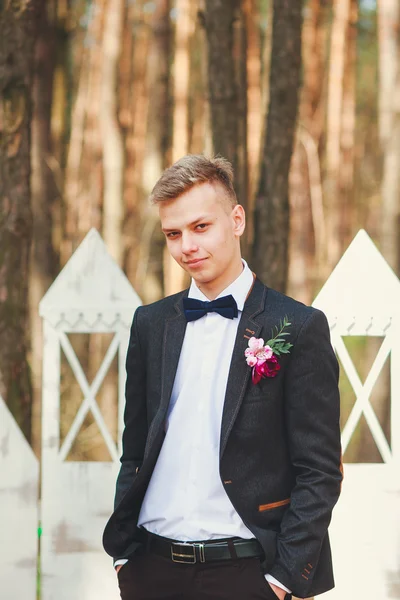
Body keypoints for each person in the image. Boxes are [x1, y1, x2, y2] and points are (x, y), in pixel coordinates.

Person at [102, 155, 342, 600]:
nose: (186, 246)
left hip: (247, 574)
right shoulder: (150, 325)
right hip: (150, 571)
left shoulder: (298, 327)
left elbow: (320, 470)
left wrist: (282, 580)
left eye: (200, 227)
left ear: (236, 220)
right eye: (173, 234)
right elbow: (134, 449)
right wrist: (125, 558)